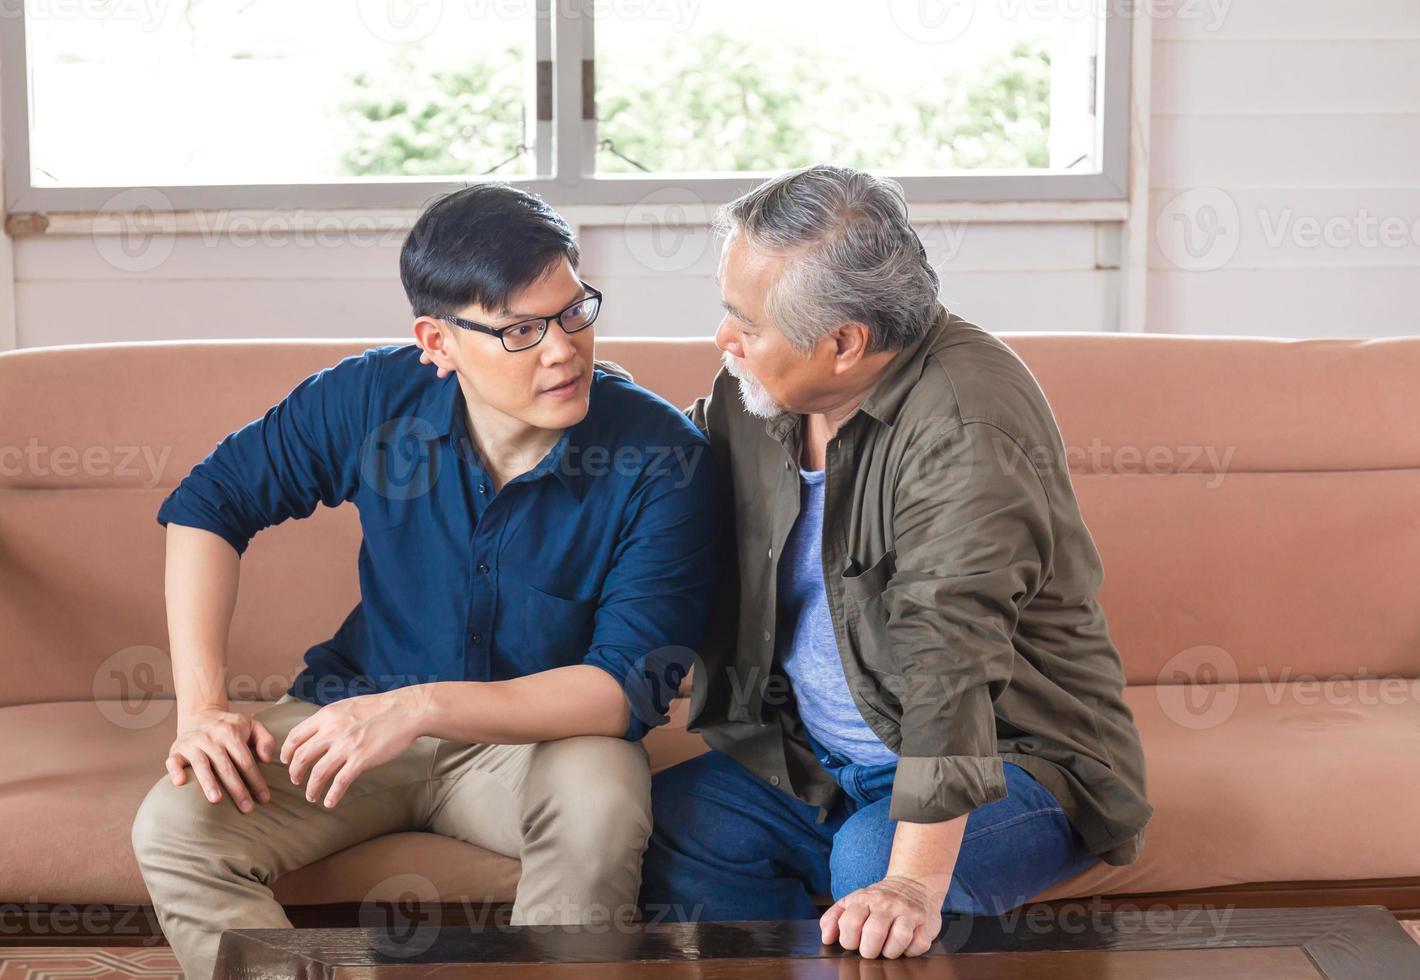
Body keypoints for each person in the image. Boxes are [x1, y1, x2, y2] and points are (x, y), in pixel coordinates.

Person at [131, 183, 718, 980]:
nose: (562, 350)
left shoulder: (662, 457)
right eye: (520, 331)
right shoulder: (373, 397)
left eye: (575, 311)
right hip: (352, 721)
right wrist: (200, 709)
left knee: (602, 800)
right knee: (176, 825)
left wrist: (419, 708)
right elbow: (208, 505)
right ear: (437, 343)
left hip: (540, 743)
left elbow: (624, 690)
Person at [641, 164, 1153, 960]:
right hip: (820, 757)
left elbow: (951, 663)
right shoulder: (764, 389)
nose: (724, 339)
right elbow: (657, 471)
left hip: (1012, 762)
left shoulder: (964, 430)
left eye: (744, 321)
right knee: (667, 823)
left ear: (845, 343)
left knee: (876, 867)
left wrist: (912, 884)